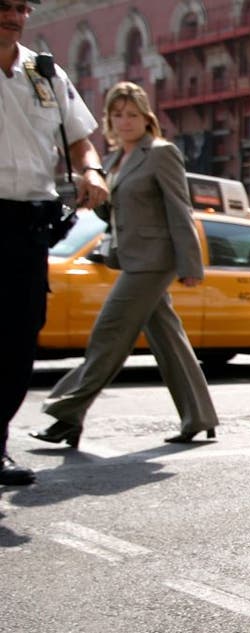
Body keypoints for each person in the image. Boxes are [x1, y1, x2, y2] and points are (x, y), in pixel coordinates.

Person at [31, 81, 219, 448]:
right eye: (117, 115)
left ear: (146, 117)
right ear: (109, 121)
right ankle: (199, 416)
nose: (125, 121)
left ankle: (67, 414)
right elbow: (115, 211)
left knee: (108, 334)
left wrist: (190, 264)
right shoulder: (116, 161)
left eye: (132, 114)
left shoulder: (161, 153)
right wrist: (94, 190)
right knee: (169, 340)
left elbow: (180, 209)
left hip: (153, 261)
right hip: (131, 257)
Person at [1, 0, 109, 486]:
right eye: (5, 6)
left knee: (19, 339)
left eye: (22, 7)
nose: (16, 16)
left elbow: (80, 138)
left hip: (28, 223)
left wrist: (91, 169)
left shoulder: (42, 72)